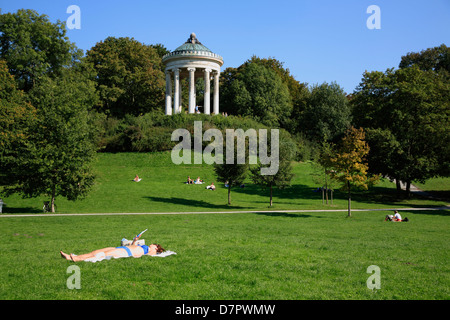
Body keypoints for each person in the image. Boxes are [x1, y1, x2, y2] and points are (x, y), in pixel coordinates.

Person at [60, 241, 165, 262]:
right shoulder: (145, 246)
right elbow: (133, 246)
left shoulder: (151, 252)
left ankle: (77, 259)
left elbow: (148, 255)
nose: (152, 244)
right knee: (95, 251)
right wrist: (135, 240)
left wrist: (155, 252)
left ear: (156, 248)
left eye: (154, 244)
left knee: (101, 255)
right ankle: (71, 257)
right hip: (121, 248)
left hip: (125, 253)